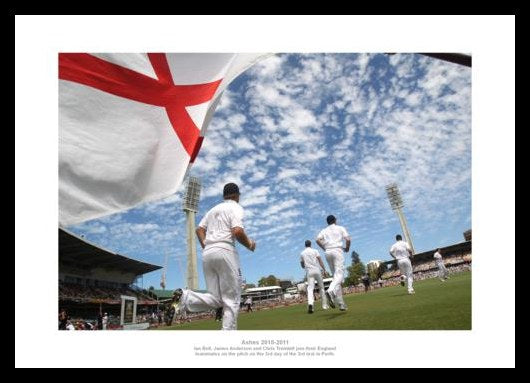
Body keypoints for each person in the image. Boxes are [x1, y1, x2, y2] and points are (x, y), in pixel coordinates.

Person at [174, 183, 256, 330]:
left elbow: (199, 229)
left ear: (224, 196)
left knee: (217, 299)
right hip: (225, 250)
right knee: (232, 300)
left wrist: (207, 245)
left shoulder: (213, 210)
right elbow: (237, 231)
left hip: (208, 253)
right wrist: (250, 244)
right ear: (237, 196)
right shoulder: (235, 207)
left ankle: (185, 298)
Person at [316, 215, 350, 311]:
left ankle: (341, 304)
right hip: (337, 251)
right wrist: (347, 248)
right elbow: (348, 239)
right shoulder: (340, 228)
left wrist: (324, 248)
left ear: (327, 222)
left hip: (328, 252)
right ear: (335, 220)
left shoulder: (324, 230)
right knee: (339, 275)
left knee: (336, 277)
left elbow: (317, 239)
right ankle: (330, 291)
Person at [300, 240, 329, 313]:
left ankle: (310, 304)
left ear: (305, 245)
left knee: (310, 289)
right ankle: (324, 306)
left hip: (309, 272)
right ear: (310, 244)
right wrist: (324, 270)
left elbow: (302, 265)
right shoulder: (315, 251)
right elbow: (320, 260)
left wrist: (305, 265)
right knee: (321, 288)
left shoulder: (302, 253)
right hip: (317, 270)